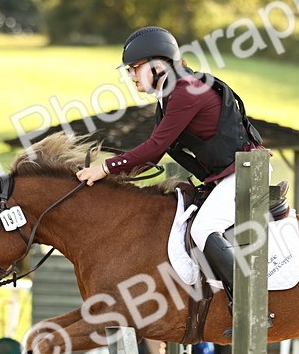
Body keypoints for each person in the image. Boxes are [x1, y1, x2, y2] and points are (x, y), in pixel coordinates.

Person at [75, 26, 266, 317]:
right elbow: (153, 156)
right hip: (226, 176)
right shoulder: (169, 96)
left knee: (203, 229)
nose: (131, 77)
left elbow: (154, 147)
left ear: (158, 65)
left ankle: (251, 305)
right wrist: (109, 181)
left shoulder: (187, 91)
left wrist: (105, 168)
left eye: (135, 69)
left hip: (245, 172)